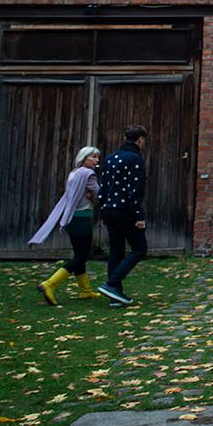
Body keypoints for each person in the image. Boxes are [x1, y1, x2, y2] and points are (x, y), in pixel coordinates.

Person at [29, 145, 103, 305]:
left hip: (69, 217)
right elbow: (100, 194)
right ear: (83, 158)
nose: (96, 160)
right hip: (82, 218)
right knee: (82, 255)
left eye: (97, 157)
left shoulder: (74, 173)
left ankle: (85, 290)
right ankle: (50, 283)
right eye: (93, 157)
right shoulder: (89, 174)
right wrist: (95, 196)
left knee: (79, 254)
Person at [97, 125, 149, 305]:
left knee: (116, 250)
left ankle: (115, 296)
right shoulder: (135, 159)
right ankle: (112, 284)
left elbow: (102, 187)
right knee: (140, 247)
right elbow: (134, 190)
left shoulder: (111, 158)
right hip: (124, 210)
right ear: (140, 140)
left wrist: (102, 210)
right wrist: (139, 216)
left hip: (109, 209)